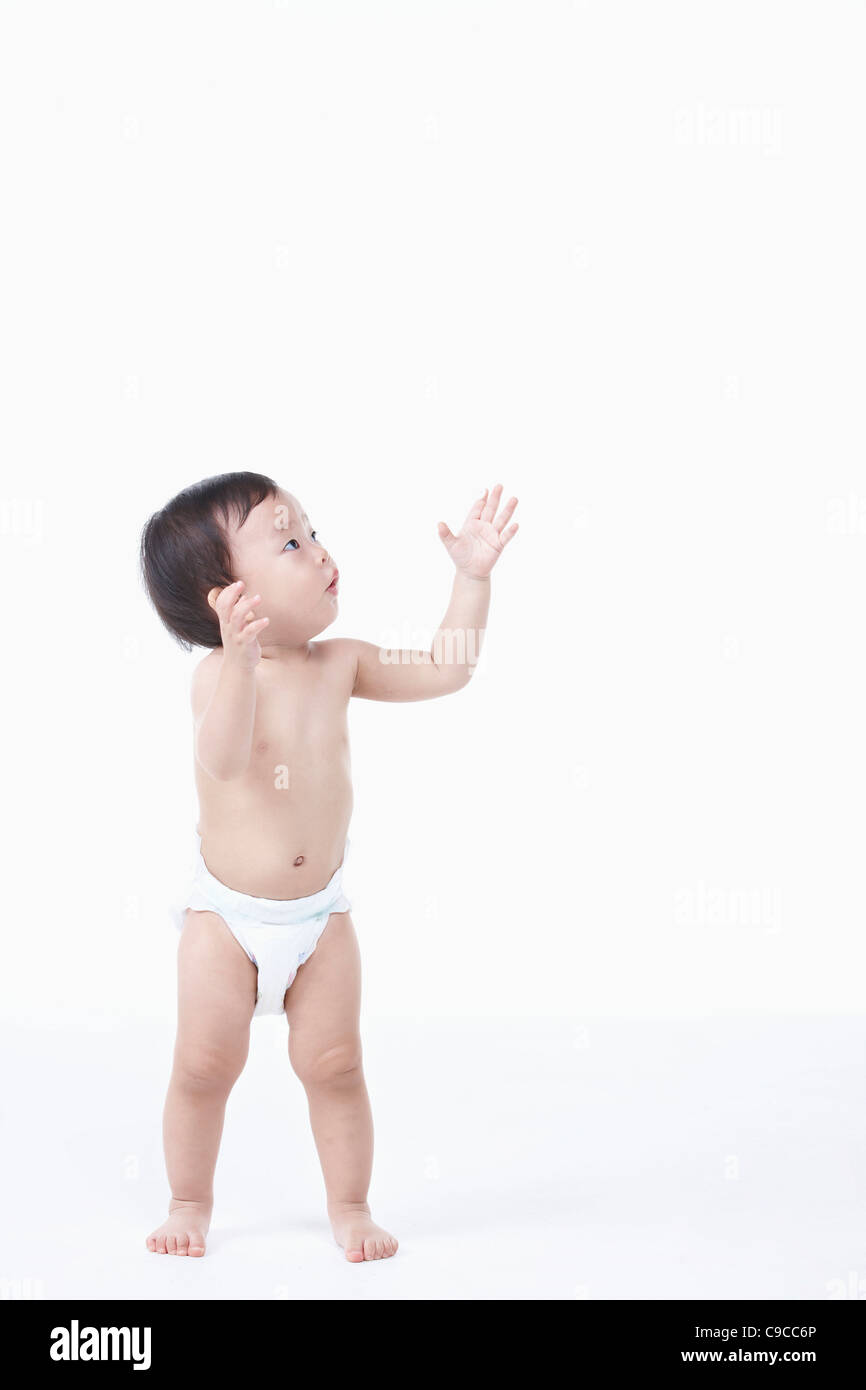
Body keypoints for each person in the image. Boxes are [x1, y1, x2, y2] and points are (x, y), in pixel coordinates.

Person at [138, 473, 518, 1260]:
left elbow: (449, 669)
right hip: (227, 921)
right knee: (204, 1066)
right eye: (288, 541)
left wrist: (470, 579)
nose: (319, 552)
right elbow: (223, 755)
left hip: (317, 920)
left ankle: (350, 1206)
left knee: (336, 1065)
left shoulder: (339, 662)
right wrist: (241, 661)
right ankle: (188, 1199)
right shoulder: (217, 679)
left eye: (311, 531)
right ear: (226, 599)